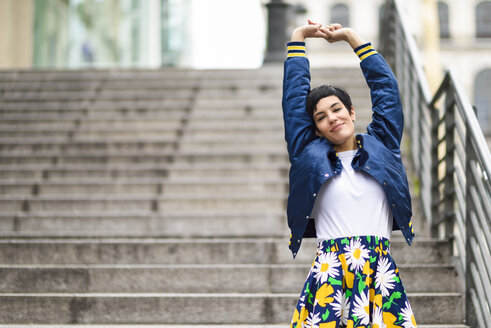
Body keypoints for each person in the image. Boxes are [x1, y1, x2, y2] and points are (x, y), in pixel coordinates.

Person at [282, 20, 418, 327]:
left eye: (336, 109)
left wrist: (353, 39)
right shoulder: (308, 155)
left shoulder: (382, 145)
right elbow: (293, 102)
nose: (331, 118)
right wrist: (298, 39)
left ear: (351, 111)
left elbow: (386, 92)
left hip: (379, 271)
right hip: (329, 272)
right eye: (320, 117)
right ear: (314, 128)